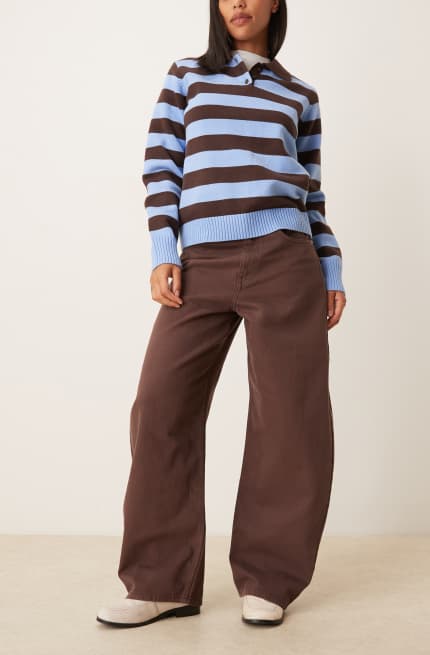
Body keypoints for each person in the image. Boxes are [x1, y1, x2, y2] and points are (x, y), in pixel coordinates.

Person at [96, 0, 347, 629]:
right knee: (161, 405)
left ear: (275, 4)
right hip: (200, 260)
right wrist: (163, 250)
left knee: (290, 418)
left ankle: (270, 578)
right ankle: (161, 581)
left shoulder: (300, 94)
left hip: (286, 259)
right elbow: (162, 165)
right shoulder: (187, 75)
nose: (238, 2)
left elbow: (311, 191)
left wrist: (330, 267)